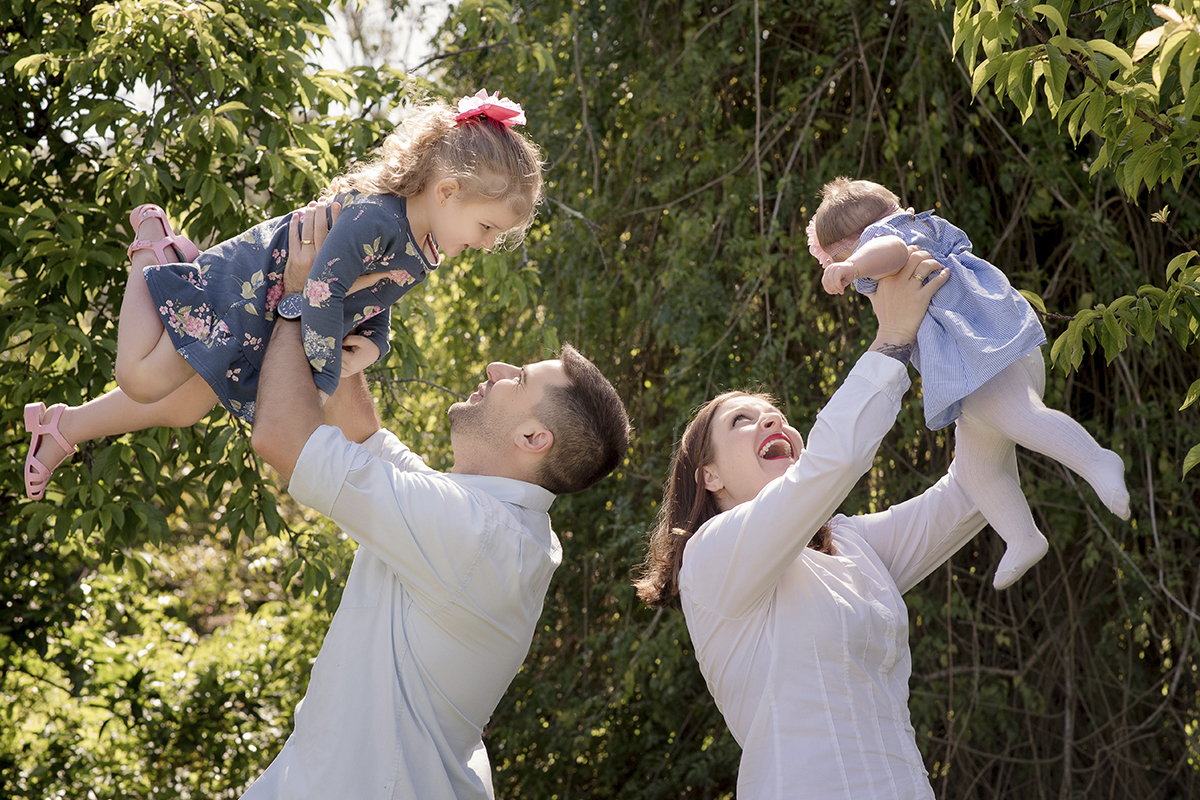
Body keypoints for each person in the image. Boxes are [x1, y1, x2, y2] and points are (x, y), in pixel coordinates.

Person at [242, 200, 631, 798]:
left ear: (533, 438)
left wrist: (298, 297)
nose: (498, 367)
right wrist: (337, 300)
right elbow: (363, 434)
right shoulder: (486, 521)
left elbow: (278, 438)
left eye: (519, 379)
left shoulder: (476, 535)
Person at [23, 89, 543, 500]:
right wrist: (322, 381)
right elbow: (319, 289)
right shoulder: (375, 218)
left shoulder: (423, 248)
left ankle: (60, 427)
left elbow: (375, 303)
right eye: (486, 226)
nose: (487, 243)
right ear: (447, 192)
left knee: (184, 407)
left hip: (271, 316)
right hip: (251, 290)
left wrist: (376, 345)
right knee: (140, 377)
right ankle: (153, 256)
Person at [635, 250, 990, 799]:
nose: (771, 419)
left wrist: (982, 353)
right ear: (708, 476)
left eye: (773, 412)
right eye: (741, 420)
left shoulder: (848, 544)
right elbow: (834, 464)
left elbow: (971, 493)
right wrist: (893, 338)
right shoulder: (710, 555)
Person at [809, 177, 1129, 588]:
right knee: (977, 471)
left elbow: (888, 250)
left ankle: (1097, 460)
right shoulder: (924, 226)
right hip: (984, 364)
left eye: (842, 256)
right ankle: (1022, 536)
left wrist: (852, 267)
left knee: (1021, 418)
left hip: (983, 360)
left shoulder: (885, 239)